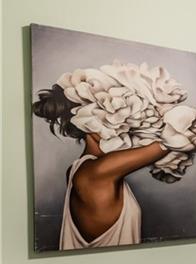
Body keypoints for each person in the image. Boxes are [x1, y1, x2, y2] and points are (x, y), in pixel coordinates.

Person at [32, 85, 167, 249]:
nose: (121, 127)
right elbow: (171, 142)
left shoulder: (79, 168)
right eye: (109, 119)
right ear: (86, 123)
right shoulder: (98, 172)